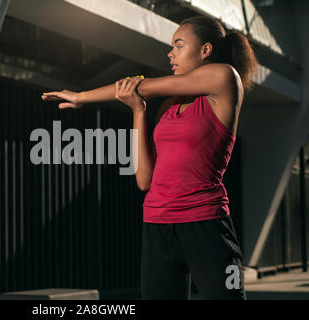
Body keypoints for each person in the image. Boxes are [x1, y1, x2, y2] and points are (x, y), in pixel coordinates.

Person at [41, 16, 258, 300]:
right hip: (157, 225)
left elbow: (142, 86)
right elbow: (144, 180)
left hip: (205, 223)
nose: (170, 54)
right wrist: (138, 112)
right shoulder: (168, 106)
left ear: (205, 50)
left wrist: (83, 97)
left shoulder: (225, 78)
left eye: (179, 46)